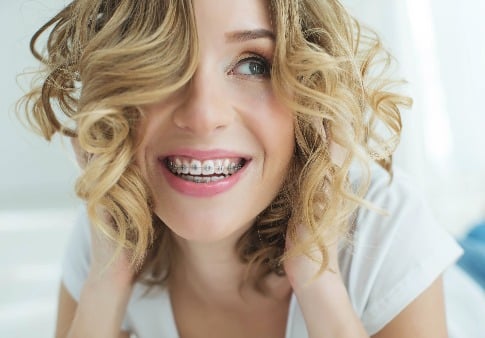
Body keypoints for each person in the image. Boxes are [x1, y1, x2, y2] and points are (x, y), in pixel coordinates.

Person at [19, 0, 463, 337]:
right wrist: (106, 284)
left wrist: (317, 281)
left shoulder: (385, 225)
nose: (202, 114)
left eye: (253, 64)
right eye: (165, 65)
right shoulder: (108, 233)